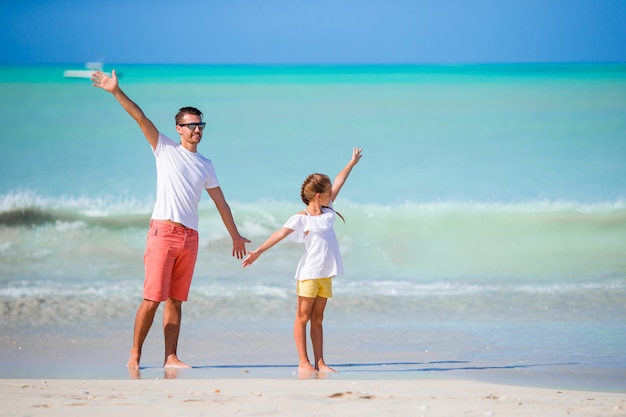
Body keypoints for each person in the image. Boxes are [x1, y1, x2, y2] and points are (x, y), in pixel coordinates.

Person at [91, 70, 250, 370]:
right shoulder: (164, 149)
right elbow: (140, 117)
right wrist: (116, 91)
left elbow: (220, 201)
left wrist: (236, 235)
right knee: (152, 298)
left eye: (200, 125)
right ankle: (135, 354)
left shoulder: (206, 164)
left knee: (176, 300)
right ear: (178, 128)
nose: (196, 130)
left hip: (190, 238)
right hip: (163, 232)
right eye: (190, 126)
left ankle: (171, 358)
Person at [242, 148, 362, 374]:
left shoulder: (328, 209)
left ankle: (321, 362)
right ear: (319, 195)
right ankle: (303, 362)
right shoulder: (301, 218)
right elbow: (280, 234)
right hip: (308, 274)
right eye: (328, 192)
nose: (332, 194)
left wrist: (351, 163)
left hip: (326, 273)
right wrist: (258, 251)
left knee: (318, 318)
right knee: (303, 317)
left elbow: (339, 182)